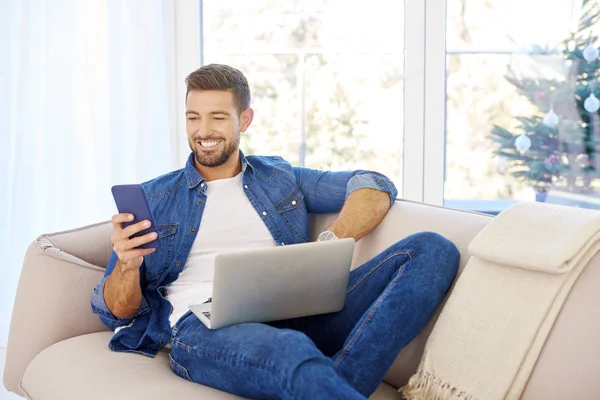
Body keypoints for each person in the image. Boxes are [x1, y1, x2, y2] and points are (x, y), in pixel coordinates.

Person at [91, 64, 460, 400]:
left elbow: (372, 184)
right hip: (203, 326)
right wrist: (126, 265)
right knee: (290, 352)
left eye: (218, 117)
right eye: (193, 118)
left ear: (245, 119)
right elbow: (118, 312)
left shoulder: (281, 178)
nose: (203, 131)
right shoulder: (154, 196)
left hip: (298, 309)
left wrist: (325, 245)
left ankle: (338, 383)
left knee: (432, 250)